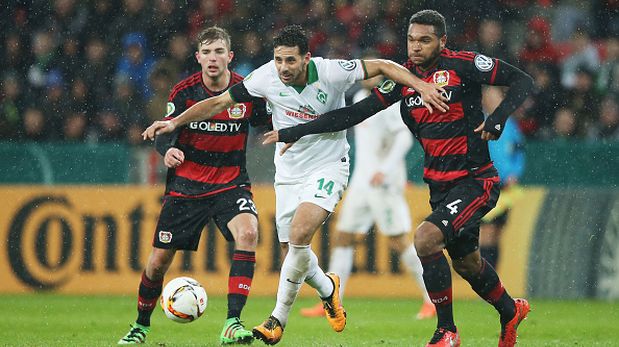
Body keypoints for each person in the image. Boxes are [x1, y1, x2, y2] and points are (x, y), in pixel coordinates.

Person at [142, 25, 448, 345]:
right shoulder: (264, 77)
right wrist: (175, 122)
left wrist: (421, 85)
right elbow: (218, 103)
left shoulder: (331, 71)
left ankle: (277, 320)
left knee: (301, 234)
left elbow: (385, 66)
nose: (284, 68)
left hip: (329, 166)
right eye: (278, 60)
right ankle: (328, 289)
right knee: (293, 251)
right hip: (287, 172)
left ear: (306, 58)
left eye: (290, 60)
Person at [263, 10, 534, 347]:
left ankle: (446, 331)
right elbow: (352, 114)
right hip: (440, 185)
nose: (416, 47)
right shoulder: (401, 81)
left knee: (425, 238)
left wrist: (498, 118)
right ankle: (510, 310)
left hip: (476, 181)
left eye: (424, 40)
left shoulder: (463, 66)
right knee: (467, 263)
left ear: (442, 41)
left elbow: (523, 80)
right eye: (411, 39)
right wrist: (294, 131)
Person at [118, 26, 270, 345]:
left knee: (249, 233)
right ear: (197, 57)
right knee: (158, 262)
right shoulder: (184, 92)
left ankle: (232, 321)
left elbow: (267, 122)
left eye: (219, 52)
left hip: (231, 184)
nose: (213, 58)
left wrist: (286, 133)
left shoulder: (246, 91)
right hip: (187, 188)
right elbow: (164, 133)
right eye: (207, 52)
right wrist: (168, 150)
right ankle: (141, 325)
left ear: (230, 57)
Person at [299, 68, 435, 320]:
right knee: (344, 236)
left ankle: (431, 299)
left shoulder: (390, 100)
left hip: (383, 182)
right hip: (362, 181)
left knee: (399, 240)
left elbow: (404, 138)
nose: (366, 76)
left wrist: (384, 170)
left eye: (371, 72)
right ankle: (332, 300)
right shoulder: (362, 97)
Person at [479, 86, 525, 268]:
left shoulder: (511, 126)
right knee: (486, 232)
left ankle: (492, 277)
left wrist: (515, 173)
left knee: (497, 232)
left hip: (506, 189)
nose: (491, 100)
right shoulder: (479, 122)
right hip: (487, 187)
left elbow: (519, 152)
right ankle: (485, 278)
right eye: (488, 97)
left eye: (495, 97)